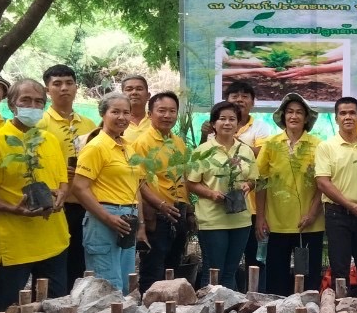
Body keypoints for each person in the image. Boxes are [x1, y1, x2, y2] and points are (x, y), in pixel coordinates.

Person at [0, 79, 70, 311]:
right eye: (26, 100)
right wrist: (14, 209)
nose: (33, 107)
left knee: (53, 309)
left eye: (39, 102)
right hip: (15, 244)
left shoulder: (49, 140)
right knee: (8, 311)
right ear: (11, 104)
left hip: (54, 239)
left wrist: (61, 195)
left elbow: (63, 181)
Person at [71, 92, 146, 292]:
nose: (122, 117)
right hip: (104, 217)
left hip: (128, 218)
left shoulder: (128, 148)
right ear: (103, 114)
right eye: (115, 112)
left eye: (126, 113)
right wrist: (108, 218)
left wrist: (141, 224)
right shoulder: (96, 147)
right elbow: (79, 187)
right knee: (108, 286)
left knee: (125, 284)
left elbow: (135, 188)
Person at [255, 93, 324, 295]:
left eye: (299, 112)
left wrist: (312, 213)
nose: (294, 116)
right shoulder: (271, 144)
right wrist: (260, 217)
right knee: (276, 278)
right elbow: (261, 182)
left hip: (309, 224)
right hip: (277, 222)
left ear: (306, 118)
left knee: (308, 278)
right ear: (283, 116)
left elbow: (323, 184)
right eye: (290, 112)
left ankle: (309, 312)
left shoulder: (318, 145)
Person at [315, 97, 357, 295]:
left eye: (352, 113)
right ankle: (340, 308)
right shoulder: (326, 147)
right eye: (343, 113)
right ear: (336, 118)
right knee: (340, 270)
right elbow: (323, 182)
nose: (348, 117)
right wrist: (349, 205)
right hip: (337, 214)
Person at [187, 101, 258, 290]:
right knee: (213, 271)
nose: (227, 123)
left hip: (240, 219)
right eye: (222, 119)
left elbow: (254, 179)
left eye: (232, 119)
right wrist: (211, 193)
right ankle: (208, 306)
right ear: (213, 124)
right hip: (212, 219)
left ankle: (228, 307)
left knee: (230, 271)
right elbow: (191, 182)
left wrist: (248, 185)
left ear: (238, 124)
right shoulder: (203, 151)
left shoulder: (245, 150)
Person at [40, 64, 97, 288]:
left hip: (84, 203)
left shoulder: (89, 124)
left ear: (76, 87)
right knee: (53, 267)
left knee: (80, 264)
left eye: (69, 83)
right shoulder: (40, 123)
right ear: (47, 90)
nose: (64, 88)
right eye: (57, 84)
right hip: (55, 204)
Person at [131, 91, 192, 291]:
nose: (167, 115)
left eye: (172, 111)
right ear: (150, 114)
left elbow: (183, 178)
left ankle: (170, 306)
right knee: (153, 269)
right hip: (157, 215)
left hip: (178, 213)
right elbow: (139, 182)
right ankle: (148, 306)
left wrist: (189, 211)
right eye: (162, 111)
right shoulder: (142, 143)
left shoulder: (178, 142)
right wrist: (161, 205)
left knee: (172, 267)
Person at [120, 76, 152, 141]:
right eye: (129, 89)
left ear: (148, 96)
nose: (134, 92)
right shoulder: (115, 121)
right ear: (121, 96)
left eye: (139, 89)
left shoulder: (156, 120)